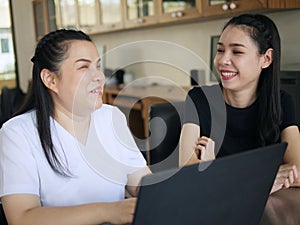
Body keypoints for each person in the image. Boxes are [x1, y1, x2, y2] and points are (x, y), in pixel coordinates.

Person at [0, 29, 151, 225]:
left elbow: (141, 184)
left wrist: (186, 181)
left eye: (98, 66)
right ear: (50, 79)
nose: (99, 77)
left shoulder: (111, 117)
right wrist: (106, 211)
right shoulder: (17, 133)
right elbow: (22, 218)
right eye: (83, 67)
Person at [179, 14, 300, 194]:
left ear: (266, 59)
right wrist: (264, 179)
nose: (222, 61)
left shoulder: (282, 102)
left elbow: (296, 171)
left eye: (237, 52)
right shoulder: (199, 98)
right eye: (220, 50)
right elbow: (188, 169)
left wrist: (215, 170)